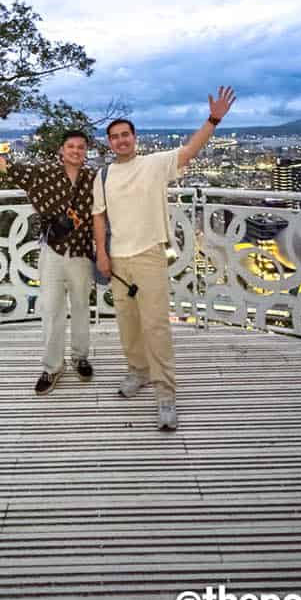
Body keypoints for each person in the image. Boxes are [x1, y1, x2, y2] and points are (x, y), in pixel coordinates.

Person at [93, 86, 236, 432]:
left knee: (156, 326)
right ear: (109, 143)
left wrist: (213, 119)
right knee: (127, 325)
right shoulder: (103, 175)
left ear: (134, 137)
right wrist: (101, 254)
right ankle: (138, 372)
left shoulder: (155, 164)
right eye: (115, 137)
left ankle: (165, 395)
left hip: (148, 256)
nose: (121, 141)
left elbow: (189, 150)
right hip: (117, 259)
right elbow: (99, 216)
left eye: (126, 135)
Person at [0, 128, 97, 395]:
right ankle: (52, 366)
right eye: (71, 146)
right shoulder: (44, 174)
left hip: (81, 250)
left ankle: (81, 356)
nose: (76, 151)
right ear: (62, 150)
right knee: (52, 309)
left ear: (85, 152)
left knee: (80, 306)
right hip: (53, 250)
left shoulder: (93, 178)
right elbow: (11, 169)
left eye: (81, 147)